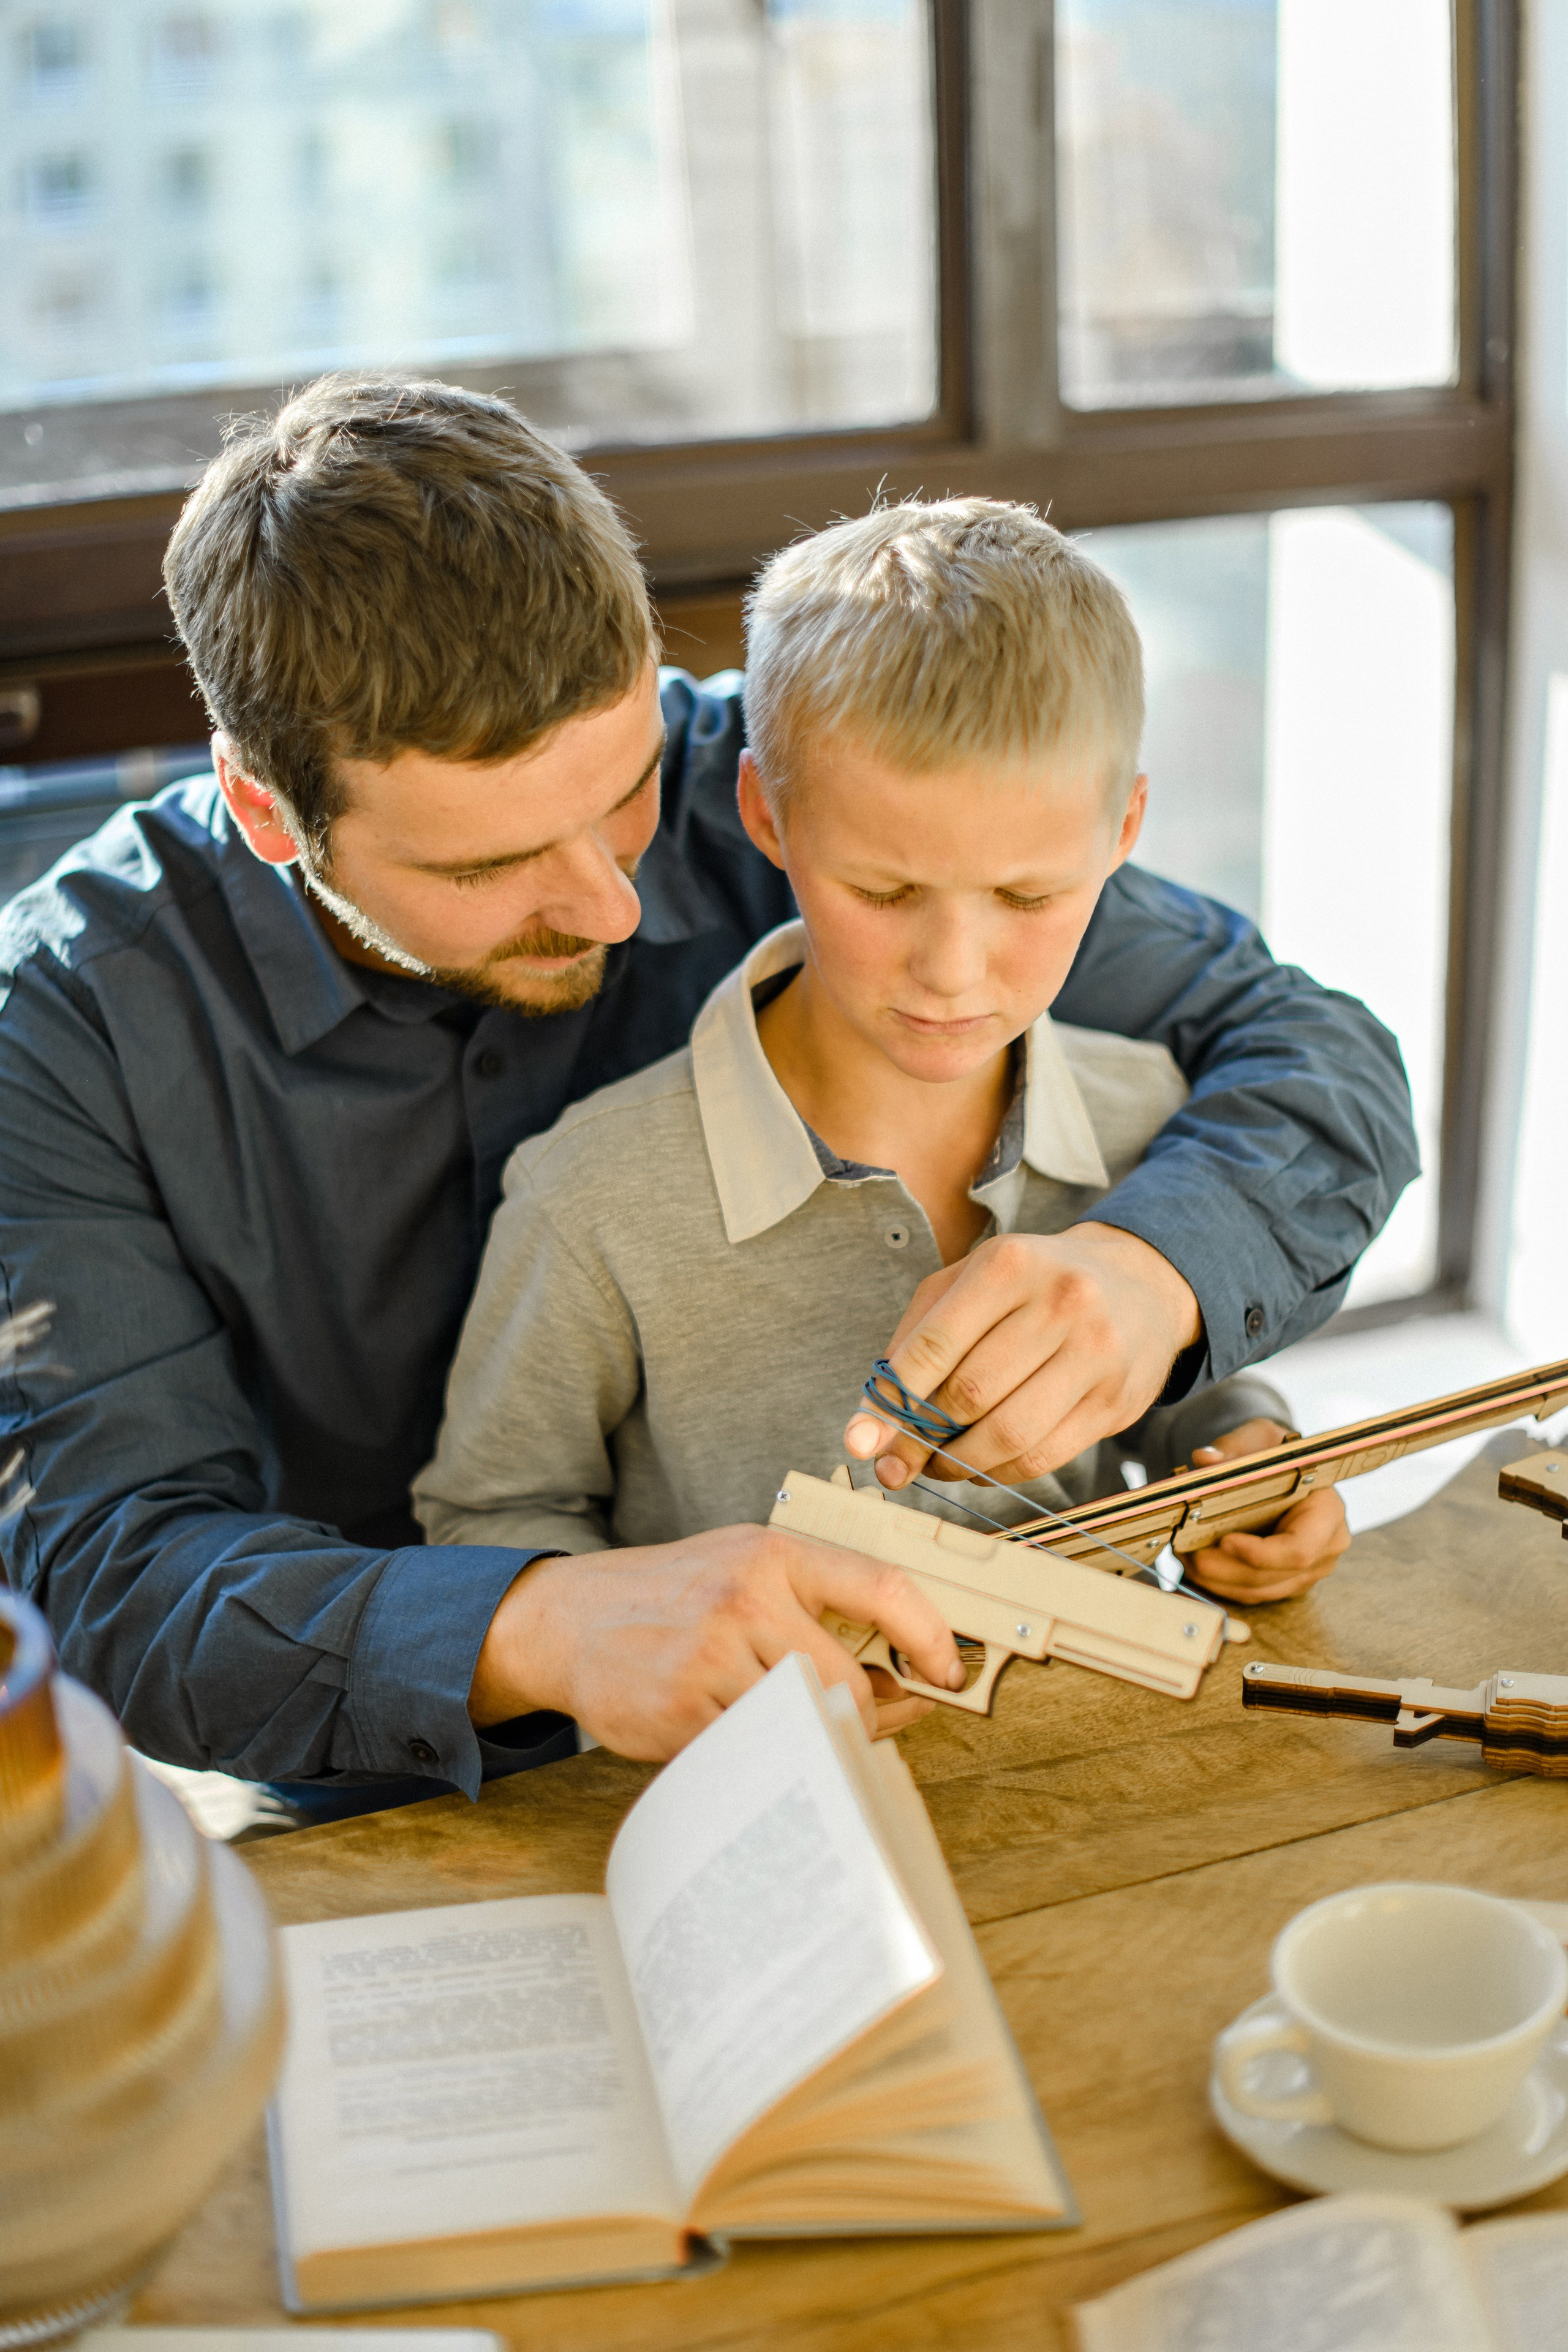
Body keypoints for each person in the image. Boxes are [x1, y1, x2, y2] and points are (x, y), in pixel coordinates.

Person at [0, 375, 1412, 1809]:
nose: (614, 907)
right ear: (264, 809)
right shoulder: (59, 1031)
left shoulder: (799, 783)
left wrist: (1153, 1273)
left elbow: (1314, 1054)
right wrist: (535, 1625)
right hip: (401, 1792)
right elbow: (106, 1575)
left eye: (620, 794)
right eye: (486, 867)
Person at [413, 499, 1351, 1616]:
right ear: (767, 815)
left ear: (1125, 832)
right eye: (884, 891)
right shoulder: (589, 1200)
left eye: (1029, 896)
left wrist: (1251, 1453)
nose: (954, 972)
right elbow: (492, 1517)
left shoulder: (1152, 1113)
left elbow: (1181, 1392)